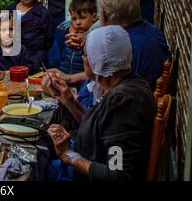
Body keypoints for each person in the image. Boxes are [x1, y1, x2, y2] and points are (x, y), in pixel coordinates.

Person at [42, 25, 156, 181]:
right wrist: (69, 100)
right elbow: (102, 126)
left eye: (85, 53)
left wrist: (68, 154)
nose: (82, 57)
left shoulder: (123, 103)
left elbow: (117, 173)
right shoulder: (130, 83)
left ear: (96, 61)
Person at [47, 0, 170, 112]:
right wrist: (71, 78)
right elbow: (108, 74)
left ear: (104, 15)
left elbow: (103, 111)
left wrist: (66, 97)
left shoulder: (121, 46)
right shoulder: (151, 31)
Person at [7, 0, 54, 70]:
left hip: (34, 61)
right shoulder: (9, 10)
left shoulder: (43, 13)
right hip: (11, 60)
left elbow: (49, 39)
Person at [57, 0, 97, 76]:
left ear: (94, 17)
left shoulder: (96, 38)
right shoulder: (65, 34)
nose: (78, 22)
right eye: (74, 19)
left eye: (82, 18)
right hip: (64, 79)